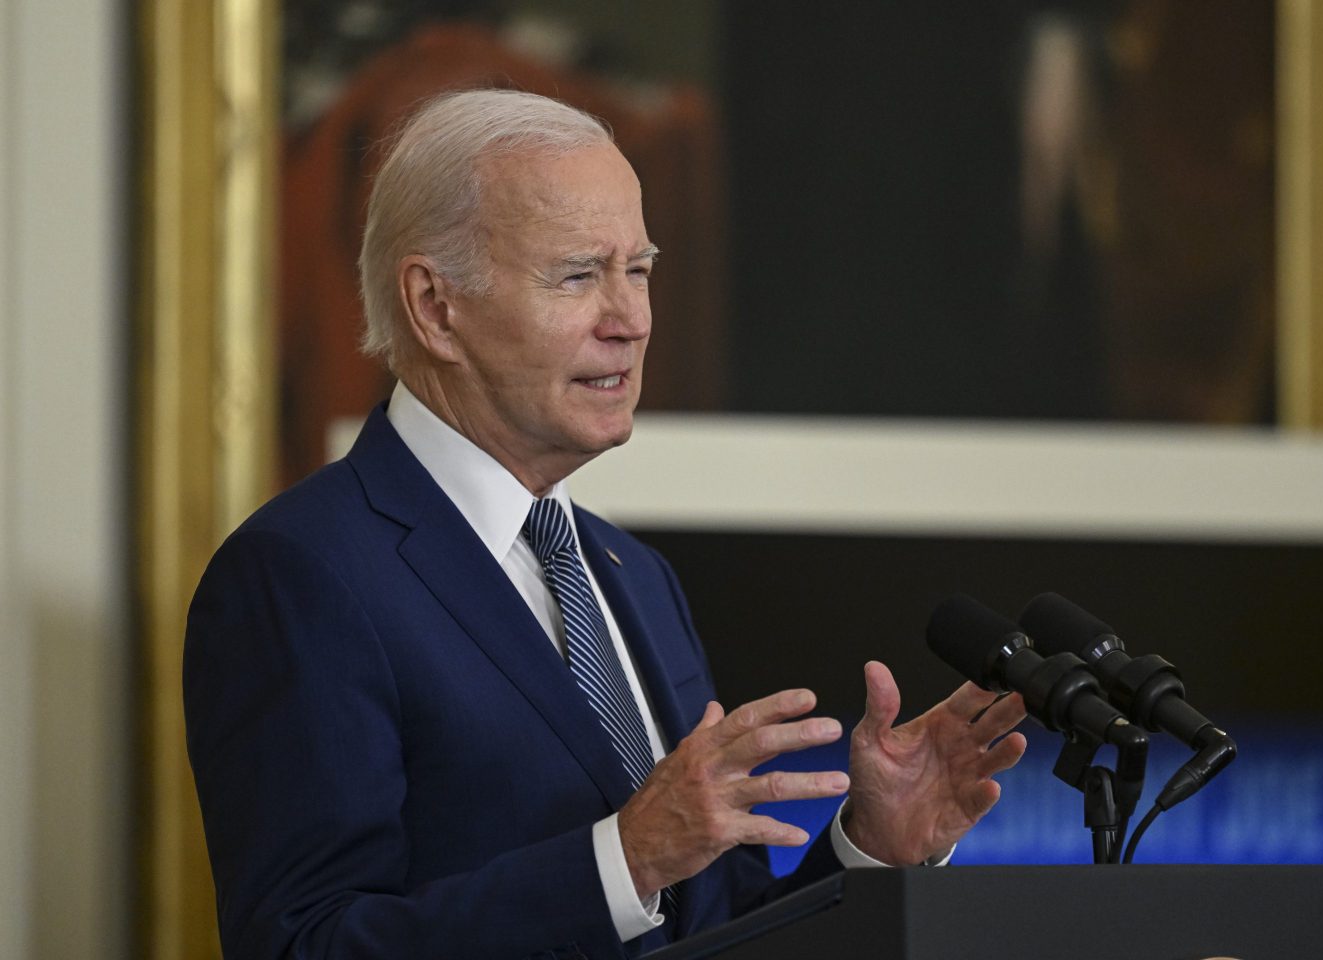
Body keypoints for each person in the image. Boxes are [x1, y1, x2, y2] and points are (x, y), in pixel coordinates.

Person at [183, 88, 1028, 960]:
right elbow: (304, 948)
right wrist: (621, 861)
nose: (630, 322)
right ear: (436, 307)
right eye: (580, 275)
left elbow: (716, 932)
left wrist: (872, 850)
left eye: (640, 270)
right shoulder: (303, 575)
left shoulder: (633, 574)